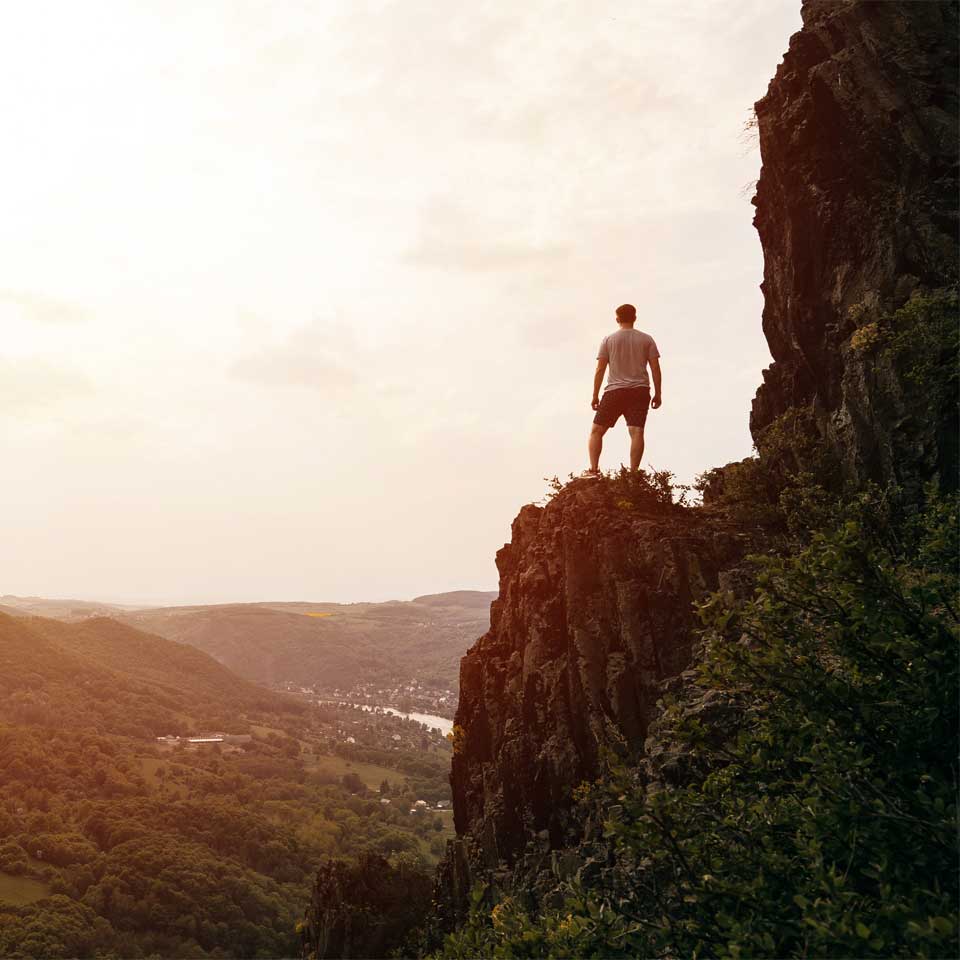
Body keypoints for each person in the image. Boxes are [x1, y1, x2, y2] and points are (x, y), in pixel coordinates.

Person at [586, 303, 661, 475]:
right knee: (636, 431)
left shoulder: (608, 340)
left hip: (614, 391)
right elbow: (655, 368)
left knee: (597, 431)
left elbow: (600, 369)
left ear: (617, 318)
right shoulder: (647, 339)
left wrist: (595, 395)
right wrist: (658, 393)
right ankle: (634, 473)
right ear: (635, 317)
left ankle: (594, 470)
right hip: (640, 390)